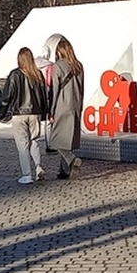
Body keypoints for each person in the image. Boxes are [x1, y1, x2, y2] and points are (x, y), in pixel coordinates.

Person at [0, 47, 50, 185]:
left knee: (23, 145)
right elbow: (44, 96)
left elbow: (7, 96)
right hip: (35, 112)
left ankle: (27, 175)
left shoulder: (15, 74)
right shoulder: (37, 74)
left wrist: (2, 113)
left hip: (19, 113)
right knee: (35, 141)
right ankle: (38, 167)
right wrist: (44, 113)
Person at [47, 37, 85, 180]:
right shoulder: (79, 66)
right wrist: (80, 106)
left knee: (55, 140)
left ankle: (72, 159)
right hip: (75, 105)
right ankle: (64, 170)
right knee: (67, 140)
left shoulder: (58, 66)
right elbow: (82, 88)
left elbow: (55, 90)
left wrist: (51, 110)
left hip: (62, 106)